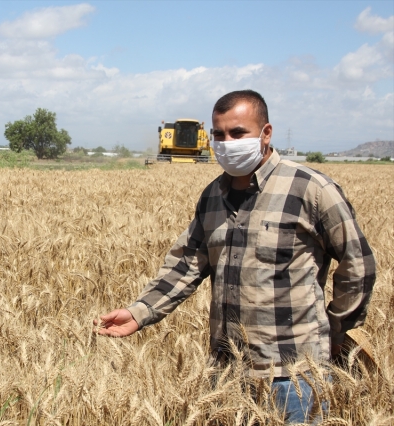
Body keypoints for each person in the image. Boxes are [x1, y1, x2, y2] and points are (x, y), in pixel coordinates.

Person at [95, 90, 376, 423]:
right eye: (219, 134)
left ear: (266, 133)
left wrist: (337, 330)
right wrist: (140, 312)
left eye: (238, 133)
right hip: (228, 375)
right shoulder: (213, 194)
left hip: (294, 377)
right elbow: (186, 264)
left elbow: (358, 264)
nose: (226, 142)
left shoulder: (310, 189)